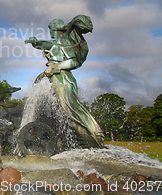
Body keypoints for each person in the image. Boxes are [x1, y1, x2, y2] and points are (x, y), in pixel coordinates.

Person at [25, 15, 104, 148]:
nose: (50, 33)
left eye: (51, 30)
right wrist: (35, 42)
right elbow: (43, 44)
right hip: (63, 78)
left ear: (56, 30)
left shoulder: (62, 45)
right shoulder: (62, 44)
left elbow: (73, 61)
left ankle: (90, 137)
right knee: (66, 109)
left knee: (68, 109)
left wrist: (55, 67)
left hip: (62, 79)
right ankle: (82, 138)